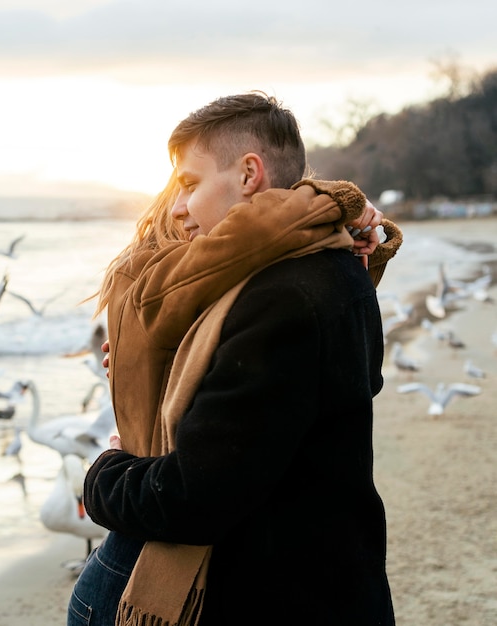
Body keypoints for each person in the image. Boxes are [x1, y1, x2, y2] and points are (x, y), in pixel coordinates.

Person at [71, 92, 402, 626]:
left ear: (250, 174)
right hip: (332, 576)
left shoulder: (280, 295)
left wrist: (102, 475)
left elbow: (195, 498)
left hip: (274, 591)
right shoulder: (334, 262)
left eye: (190, 185)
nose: (178, 208)